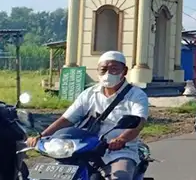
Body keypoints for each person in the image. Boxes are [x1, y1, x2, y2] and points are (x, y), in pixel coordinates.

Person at [26, 51, 149, 180]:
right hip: (84, 149)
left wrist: (121, 139)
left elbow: (138, 123)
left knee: (121, 177)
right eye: (103, 69)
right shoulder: (89, 93)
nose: (108, 73)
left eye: (114, 69)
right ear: (98, 71)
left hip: (118, 151)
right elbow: (67, 119)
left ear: (124, 71)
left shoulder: (136, 95)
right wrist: (42, 136)